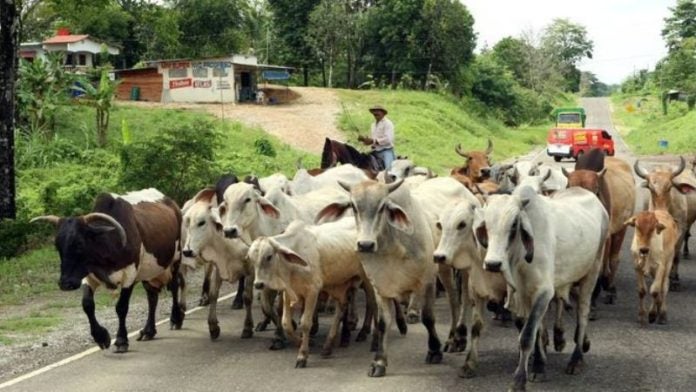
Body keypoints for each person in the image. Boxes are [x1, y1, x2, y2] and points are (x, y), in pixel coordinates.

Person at [358, 105, 396, 170]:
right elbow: (373, 140)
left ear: (383, 113)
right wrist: (364, 140)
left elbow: (388, 139)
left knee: (389, 171)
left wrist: (373, 141)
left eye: (378, 111)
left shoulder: (388, 123)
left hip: (386, 151)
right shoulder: (373, 125)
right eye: (374, 111)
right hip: (375, 151)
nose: (375, 113)